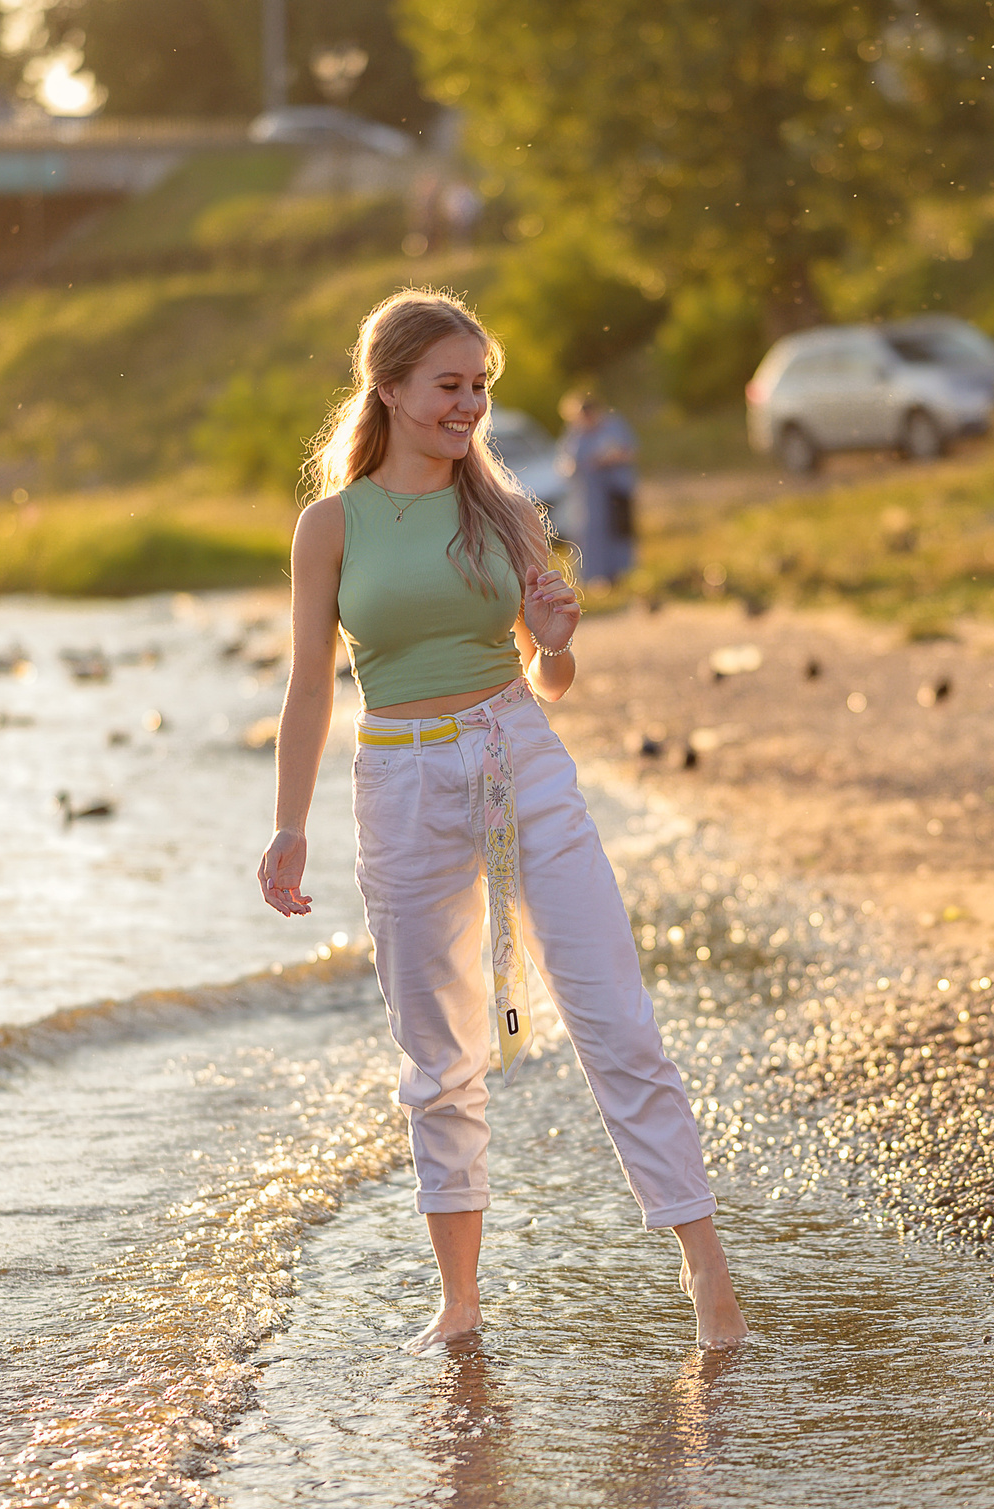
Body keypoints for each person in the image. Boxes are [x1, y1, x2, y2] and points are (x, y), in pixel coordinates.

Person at [256, 288, 747, 1353]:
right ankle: (461, 1302)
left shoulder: (506, 510)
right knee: (436, 1056)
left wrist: (558, 641)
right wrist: (287, 826)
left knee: (615, 1019)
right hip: (396, 783)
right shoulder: (328, 526)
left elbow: (552, 676)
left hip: (516, 757)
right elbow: (309, 687)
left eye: (480, 385)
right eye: (449, 385)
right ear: (385, 388)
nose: (468, 405)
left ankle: (709, 1282)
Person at [557, 391, 638, 588]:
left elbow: (628, 451)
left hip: (613, 491)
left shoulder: (613, 426)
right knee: (588, 534)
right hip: (587, 496)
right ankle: (591, 579)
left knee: (617, 532)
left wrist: (606, 459)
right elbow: (565, 462)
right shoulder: (575, 433)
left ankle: (619, 576)